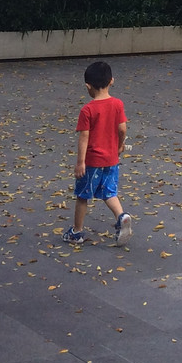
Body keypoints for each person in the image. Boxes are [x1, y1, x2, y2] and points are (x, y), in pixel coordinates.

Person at [64, 59, 134, 246]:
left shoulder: (87, 110)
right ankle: (122, 216)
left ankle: (76, 232)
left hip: (93, 161)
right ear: (112, 81)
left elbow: (84, 138)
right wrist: (120, 145)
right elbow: (122, 128)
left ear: (88, 86)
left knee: (83, 196)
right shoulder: (117, 104)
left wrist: (80, 162)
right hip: (111, 159)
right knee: (109, 192)